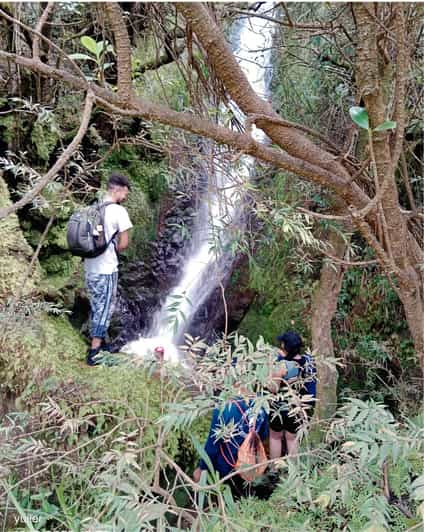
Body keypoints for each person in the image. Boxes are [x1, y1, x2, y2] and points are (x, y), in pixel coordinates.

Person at [85, 173, 133, 366]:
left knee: (97, 305)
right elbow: (124, 243)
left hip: (90, 267)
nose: (126, 197)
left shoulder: (93, 207)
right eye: (125, 193)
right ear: (118, 189)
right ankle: (94, 352)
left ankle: (100, 342)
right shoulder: (119, 212)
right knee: (105, 308)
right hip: (106, 268)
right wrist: (114, 248)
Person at [193, 398, 268, 498]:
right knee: (244, 495)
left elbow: (212, 446)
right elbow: (263, 433)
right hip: (249, 462)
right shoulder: (261, 400)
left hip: (226, 465)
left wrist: (202, 467)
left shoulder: (223, 408)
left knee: (227, 495)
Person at [268, 331, 316, 458]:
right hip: (299, 407)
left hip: (279, 406)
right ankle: (293, 472)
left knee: (275, 437)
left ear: (284, 347)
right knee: (292, 438)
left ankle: (274, 469)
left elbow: (273, 388)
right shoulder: (309, 362)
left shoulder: (282, 365)